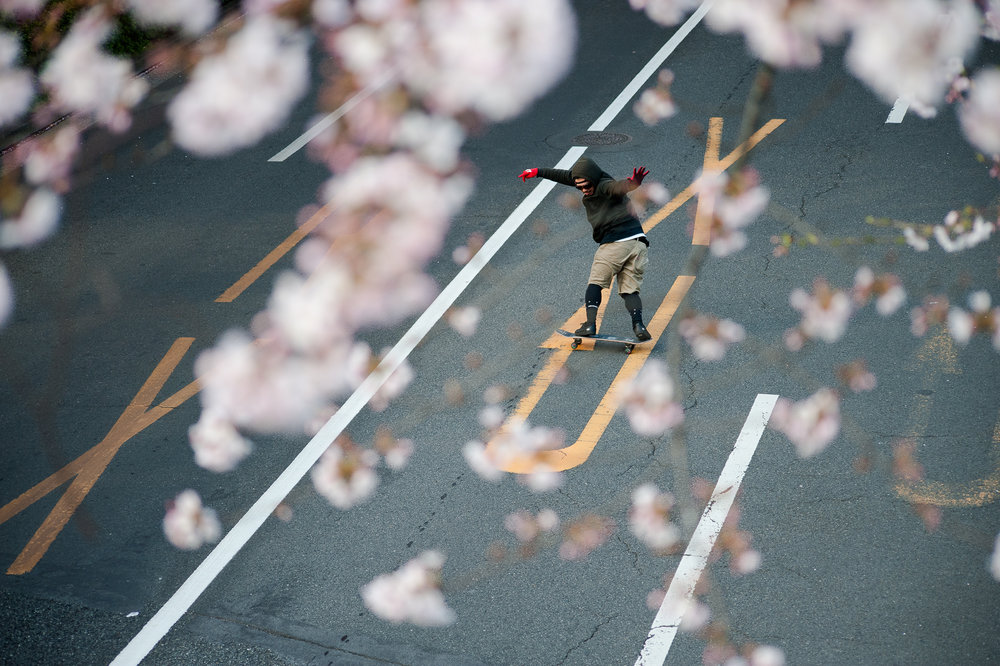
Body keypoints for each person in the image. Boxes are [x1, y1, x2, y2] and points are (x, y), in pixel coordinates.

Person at [519, 156, 652, 341]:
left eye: (586, 186)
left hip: (616, 243)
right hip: (638, 245)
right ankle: (639, 326)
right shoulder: (588, 179)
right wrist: (537, 172)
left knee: (595, 283)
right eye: (579, 187)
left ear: (593, 179)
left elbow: (618, 187)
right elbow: (564, 176)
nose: (584, 190)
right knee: (630, 291)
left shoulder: (604, 186)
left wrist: (633, 183)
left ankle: (590, 324)